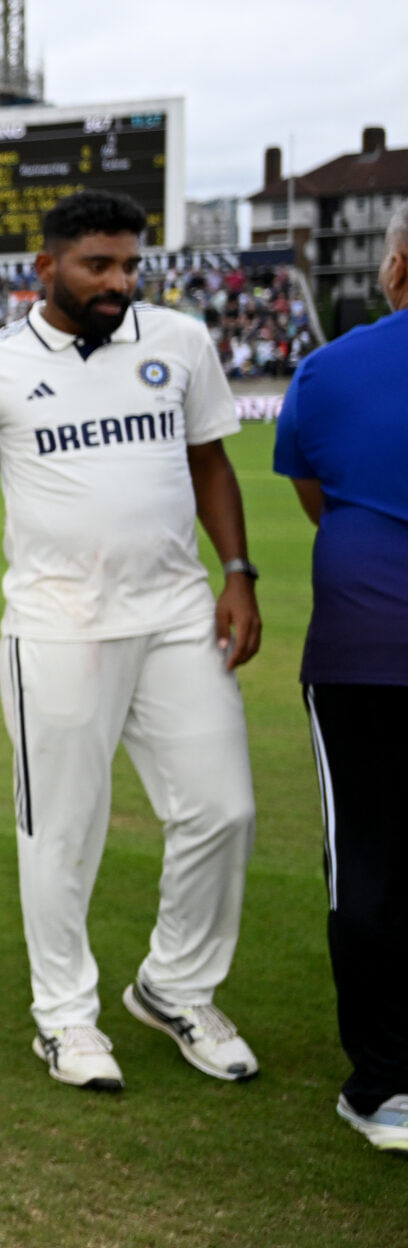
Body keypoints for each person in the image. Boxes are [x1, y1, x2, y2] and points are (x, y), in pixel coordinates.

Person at [0, 189, 262, 1093]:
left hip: (174, 614)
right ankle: (65, 1019)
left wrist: (238, 571)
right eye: (99, 265)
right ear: (45, 269)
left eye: (131, 264)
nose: (121, 281)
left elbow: (209, 461)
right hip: (55, 625)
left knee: (222, 809)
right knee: (62, 831)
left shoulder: (180, 342)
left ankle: (175, 987)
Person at [273, 202, 408, 1151]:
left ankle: (386, 1085)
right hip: (370, 648)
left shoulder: (331, 366)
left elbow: (317, 493)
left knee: (368, 862)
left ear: (394, 266)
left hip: (367, 647)